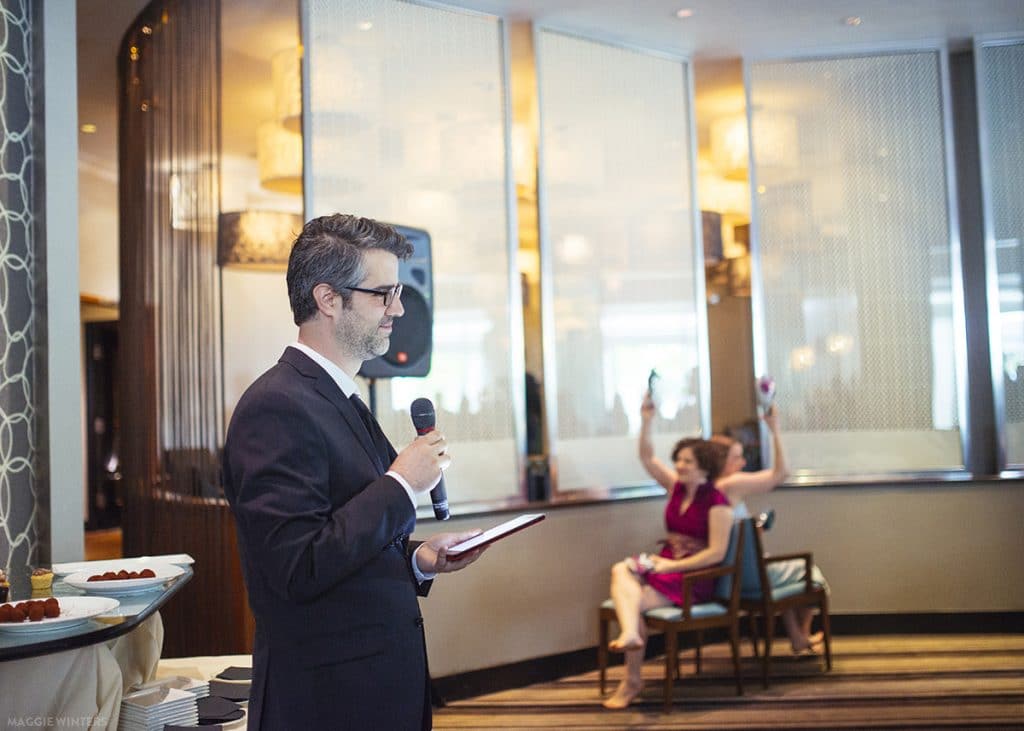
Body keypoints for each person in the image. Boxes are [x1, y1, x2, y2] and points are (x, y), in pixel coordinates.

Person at [222, 214, 487, 730]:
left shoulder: (339, 396)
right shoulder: (276, 406)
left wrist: (418, 560)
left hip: (375, 690)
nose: (399, 309)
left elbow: (346, 539)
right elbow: (297, 567)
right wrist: (401, 484)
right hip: (328, 702)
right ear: (328, 299)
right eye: (383, 294)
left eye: (397, 293)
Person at [603, 393, 734, 709]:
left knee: (632, 603)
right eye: (679, 460)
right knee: (621, 570)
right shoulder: (676, 487)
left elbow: (716, 554)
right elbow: (647, 457)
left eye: (688, 461)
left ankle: (632, 680)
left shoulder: (718, 503)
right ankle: (631, 636)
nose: (680, 465)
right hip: (667, 566)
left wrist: (670, 567)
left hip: (695, 578)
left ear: (704, 467)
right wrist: (646, 421)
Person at [711, 406, 829, 655]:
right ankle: (803, 633)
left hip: (728, 575)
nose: (743, 463)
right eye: (737, 458)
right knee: (810, 571)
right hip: (747, 577)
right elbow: (781, 474)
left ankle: (797, 637)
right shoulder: (730, 484)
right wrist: (775, 430)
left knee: (782, 573)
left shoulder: (708, 490)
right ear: (721, 462)